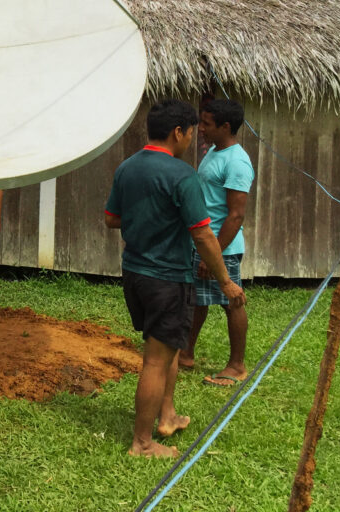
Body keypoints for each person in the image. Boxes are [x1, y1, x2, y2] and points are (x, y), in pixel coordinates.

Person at [104, 99, 246, 459]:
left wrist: (149, 220)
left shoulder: (127, 167)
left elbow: (111, 218)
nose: (193, 141)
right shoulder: (182, 175)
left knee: (164, 350)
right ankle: (142, 443)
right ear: (177, 132)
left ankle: (166, 415)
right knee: (155, 358)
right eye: (191, 133)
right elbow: (203, 236)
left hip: (133, 274)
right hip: (167, 278)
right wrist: (226, 282)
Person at [179, 99, 254, 386]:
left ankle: (237, 365)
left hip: (222, 246)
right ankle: (186, 352)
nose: (200, 129)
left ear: (225, 126)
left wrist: (215, 255)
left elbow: (235, 215)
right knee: (198, 299)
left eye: (207, 124)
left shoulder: (237, 162)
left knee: (231, 301)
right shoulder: (214, 151)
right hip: (205, 243)